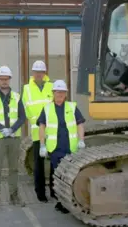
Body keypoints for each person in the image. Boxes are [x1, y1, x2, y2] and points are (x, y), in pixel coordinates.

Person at [37, 80, 86, 214]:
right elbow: (42, 127)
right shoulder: (47, 109)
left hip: (70, 149)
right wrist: (42, 145)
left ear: (66, 94)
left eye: (62, 92)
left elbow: (80, 124)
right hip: (55, 149)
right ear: (53, 93)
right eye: (57, 92)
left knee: (69, 176)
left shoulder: (72, 106)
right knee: (57, 176)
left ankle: (65, 202)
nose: (60, 94)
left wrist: (81, 140)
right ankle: (61, 201)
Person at [0, 65, 27, 209]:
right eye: (1, 79)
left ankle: (14, 196)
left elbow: (22, 116)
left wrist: (12, 129)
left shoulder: (17, 97)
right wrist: (2, 129)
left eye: (6, 79)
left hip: (14, 138)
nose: (4, 81)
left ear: (10, 79)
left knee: (14, 168)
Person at [21, 60, 53, 202]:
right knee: (38, 165)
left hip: (52, 132)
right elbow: (25, 109)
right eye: (36, 72)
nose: (38, 74)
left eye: (41, 72)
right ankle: (40, 193)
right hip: (36, 133)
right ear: (32, 73)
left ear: (44, 73)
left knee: (55, 163)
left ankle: (54, 191)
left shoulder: (52, 87)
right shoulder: (27, 89)